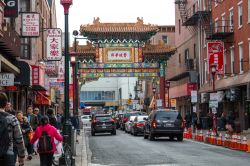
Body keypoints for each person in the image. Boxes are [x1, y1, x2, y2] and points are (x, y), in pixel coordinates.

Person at [0, 92, 25, 166]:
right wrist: (21, 156)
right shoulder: (12, 118)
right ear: (5, 104)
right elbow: (19, 139)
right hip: (8, 154)